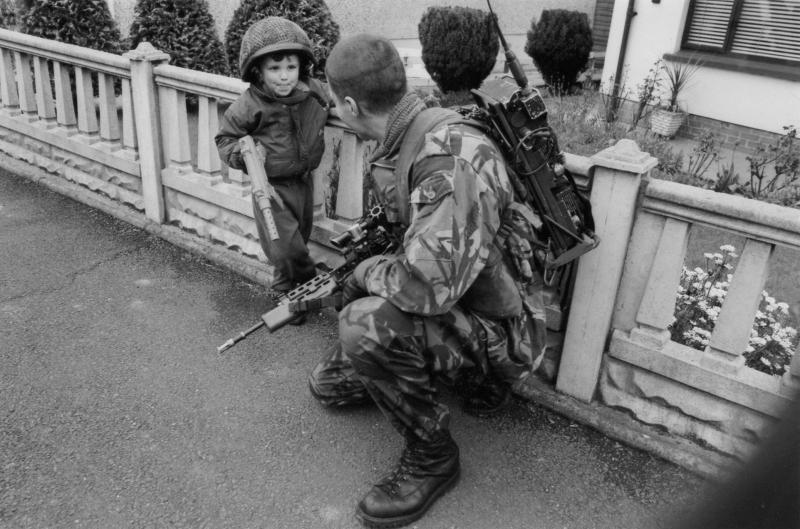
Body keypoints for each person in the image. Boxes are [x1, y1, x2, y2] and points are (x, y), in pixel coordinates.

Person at [307, 34, 548, 528]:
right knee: (329, 383)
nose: (335, 108)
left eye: (334, 101)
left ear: (350, 104)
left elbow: (423, 287)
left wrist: (360, 275)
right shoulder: (415, 131)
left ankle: (433, 456)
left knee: (362, 326)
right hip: (469, 299)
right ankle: (446, 375)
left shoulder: (447, 161)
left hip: (502, 330)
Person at [215, 17, 329, 301]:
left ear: (301, 67)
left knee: (297, 239)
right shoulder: (249, 105)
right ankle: (309, 288)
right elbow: (225, 139)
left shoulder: (312, 91)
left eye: (291, 67)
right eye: (274, 68)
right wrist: (241, 155)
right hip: (270, 187)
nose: (284, 76)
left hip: (303, 181)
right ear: (258, 71)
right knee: (287, 247)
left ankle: (284, 292)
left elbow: (332, 102)